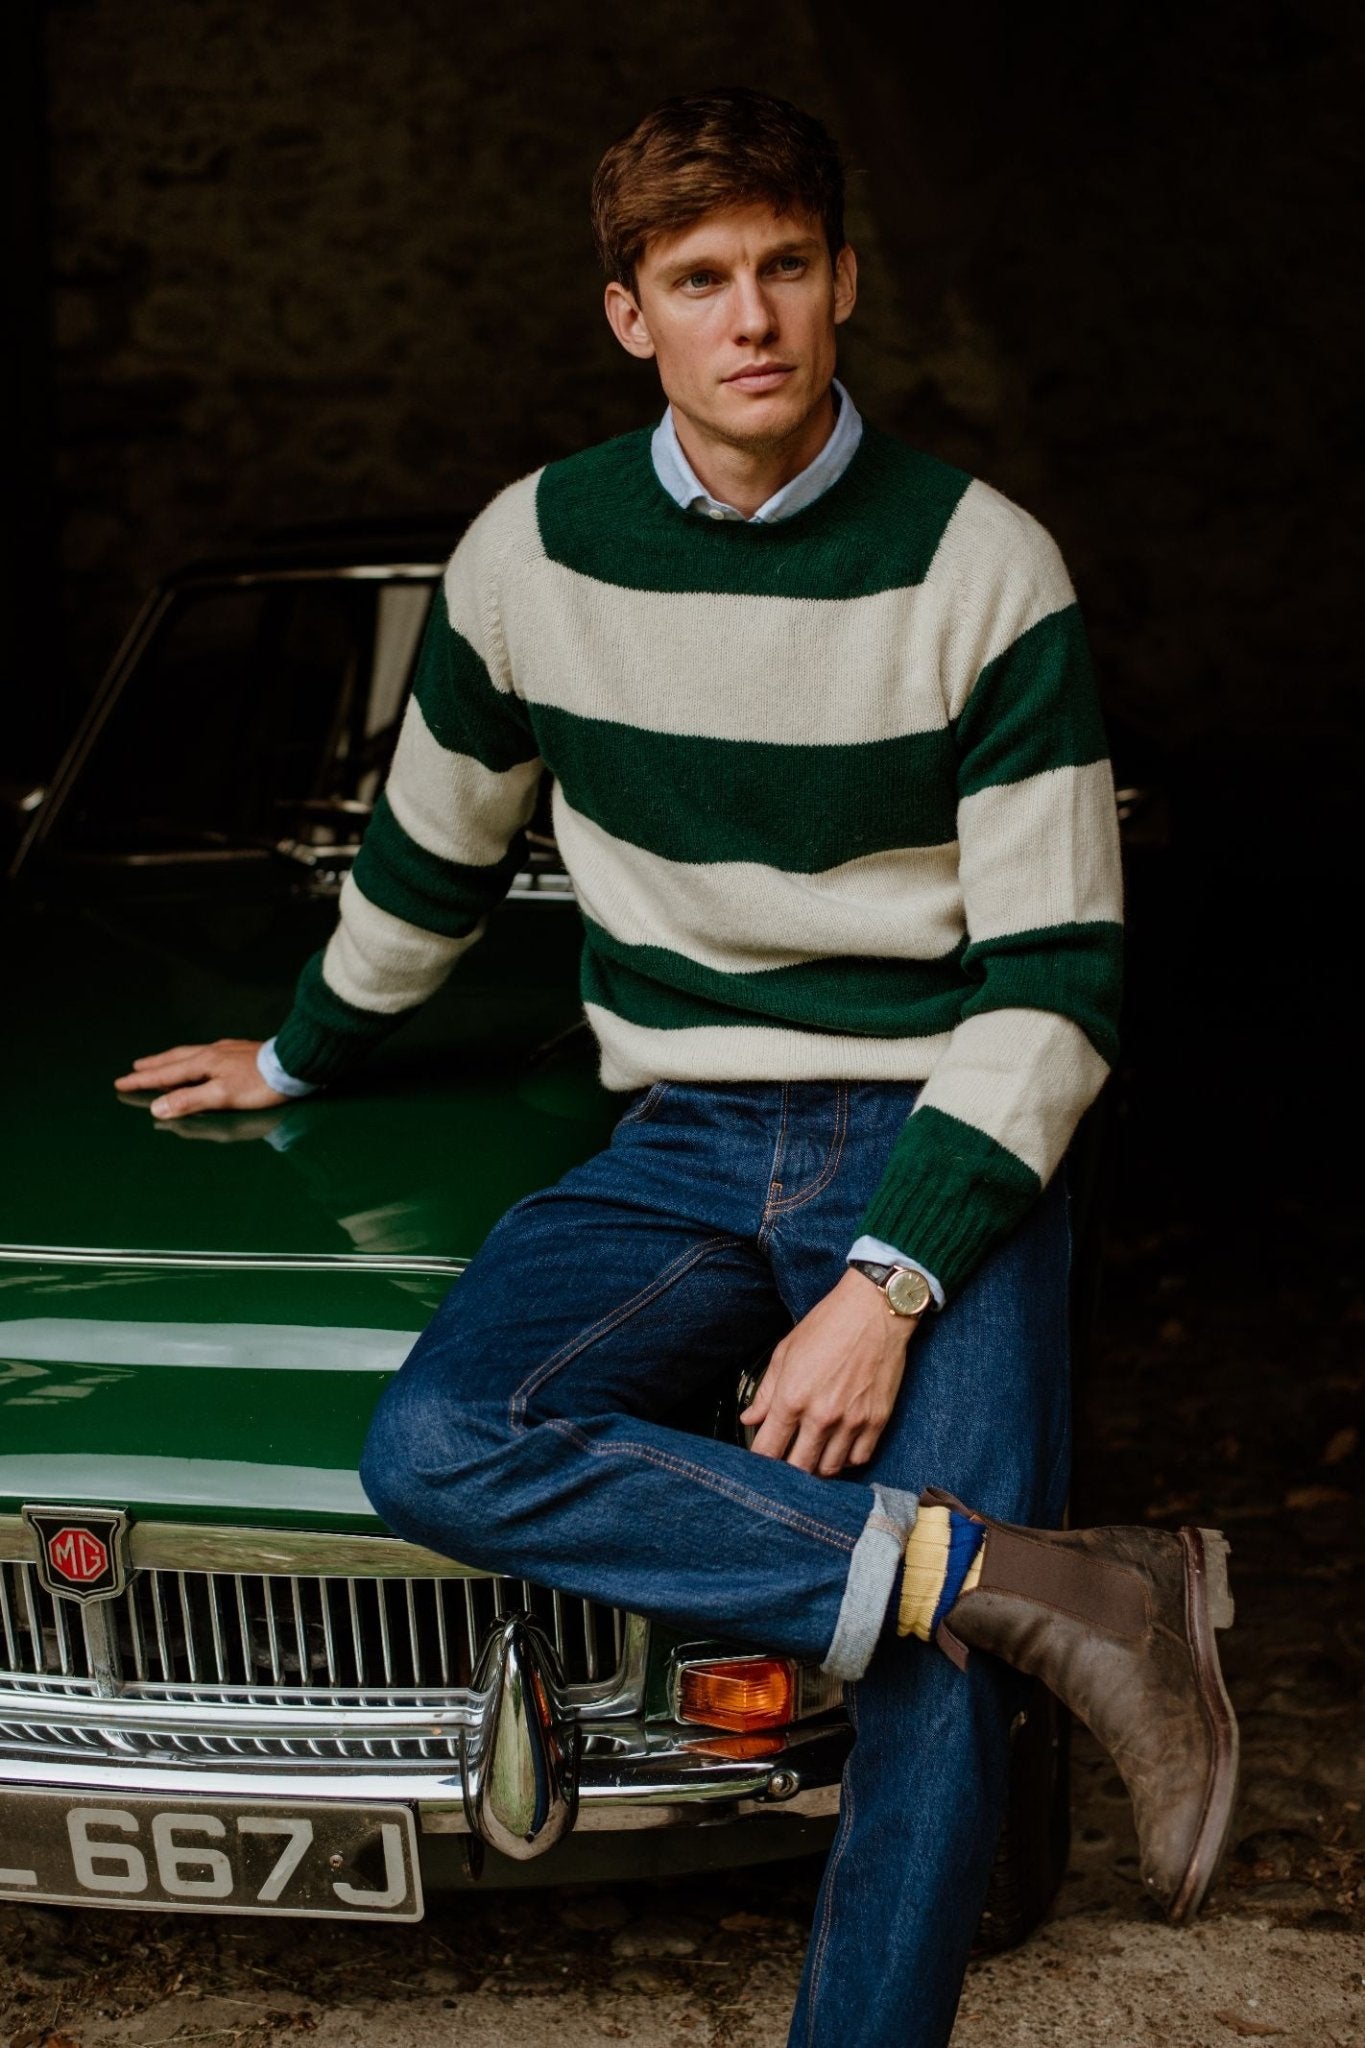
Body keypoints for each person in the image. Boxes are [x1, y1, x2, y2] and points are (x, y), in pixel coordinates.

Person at [116, 88, 1238, 2048]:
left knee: (923, 1674)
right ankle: (1057, 1582)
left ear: (843, 286)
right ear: (627, 311)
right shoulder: (528, 554)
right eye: (698, 277)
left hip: (935, 1124)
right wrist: (295, 1049)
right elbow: (426, 866)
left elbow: (1057, 982)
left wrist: (888, 1282)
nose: (750, 317)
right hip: (690, 1133)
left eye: (783, 267)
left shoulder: (984, 565)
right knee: (441, 1443)